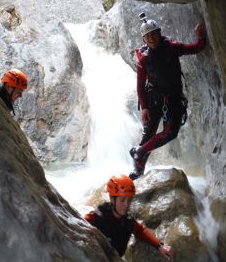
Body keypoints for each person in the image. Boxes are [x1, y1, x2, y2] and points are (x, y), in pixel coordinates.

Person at [129, 13, 207, 180]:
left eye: (153, 34)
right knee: (148, 135)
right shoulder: (144, 60)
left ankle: (139, 151)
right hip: (153, 99)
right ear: (144, 40)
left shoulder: (172, 48)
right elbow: (140, 86)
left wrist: (201, 36)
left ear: (159, 32)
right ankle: (138, 171)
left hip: (172, 99)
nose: (151, 39)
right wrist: (144, 108)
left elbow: (195, 48)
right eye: (147, 36)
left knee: (171, 133)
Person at [84, 174, 174, 260]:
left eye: (129, 200)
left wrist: (160, 246)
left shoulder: (127, 221)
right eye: (122, 200)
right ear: (112, 199)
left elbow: (141, 230)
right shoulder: (97, 216)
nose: (126, 205)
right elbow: (80, 225)